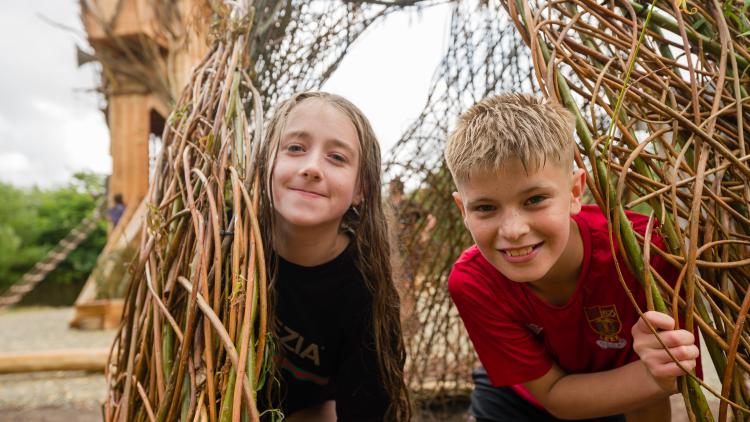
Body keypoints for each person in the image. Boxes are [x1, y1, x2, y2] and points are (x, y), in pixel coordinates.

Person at [442, 93, 699, 421]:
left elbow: (660, 390)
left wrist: (657, 374)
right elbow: (553, 394)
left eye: (535, 199)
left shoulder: (643, 251)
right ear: (463, 210)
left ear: (575, 192)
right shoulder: (474, 281)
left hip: (621, 396)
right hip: (520, 399)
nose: (513, 229)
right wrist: (651, 378)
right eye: (485, 207)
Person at [255, 91, 410, 421]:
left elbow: (368, 409)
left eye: (337, 158)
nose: (311, 168)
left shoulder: (365, 291)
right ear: (265, 163)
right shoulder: (229, 245)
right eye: (295, 148)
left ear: (360, 190)